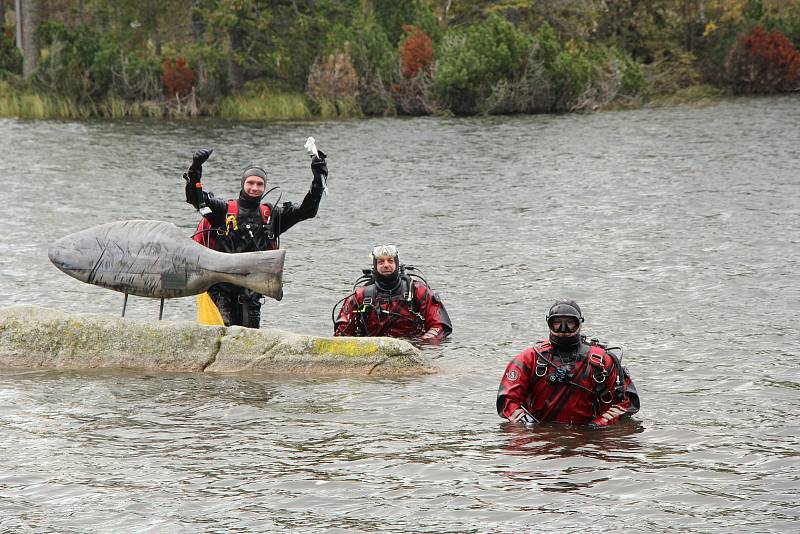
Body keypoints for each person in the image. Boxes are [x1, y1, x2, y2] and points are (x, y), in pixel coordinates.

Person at [183, 147, 327, 328]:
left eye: (259, 184)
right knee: (222, 335)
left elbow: (307, 211)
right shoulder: (223, 210)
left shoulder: (271, 215)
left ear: (264, 187)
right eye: (250, 183)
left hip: (250, 295)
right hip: (220, 292)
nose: (254, 188)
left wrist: (318, 179)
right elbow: (196, 200)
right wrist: (195, 171)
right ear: (243, 184)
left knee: (248, 339)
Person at [497, 299, 640, 428]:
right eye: (557, 323)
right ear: (549, 324)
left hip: (590, 439)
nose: (563, 329)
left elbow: (626, 403)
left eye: (570, 323)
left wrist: (596, 426)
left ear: (579, 323)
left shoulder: (601, 360)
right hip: (540, 439)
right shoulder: (529, 358)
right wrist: (532, 428)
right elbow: (507, 400)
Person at [333, 244, 452, 344]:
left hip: (413, 347)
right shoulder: (360, 295)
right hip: (371, 349)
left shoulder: (418, 290)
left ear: (397, 264)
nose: (386, 265)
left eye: (390, 261)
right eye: (381, 262)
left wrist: (421, 344)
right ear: (375, 266)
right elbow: (342, 333)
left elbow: (439, 326)